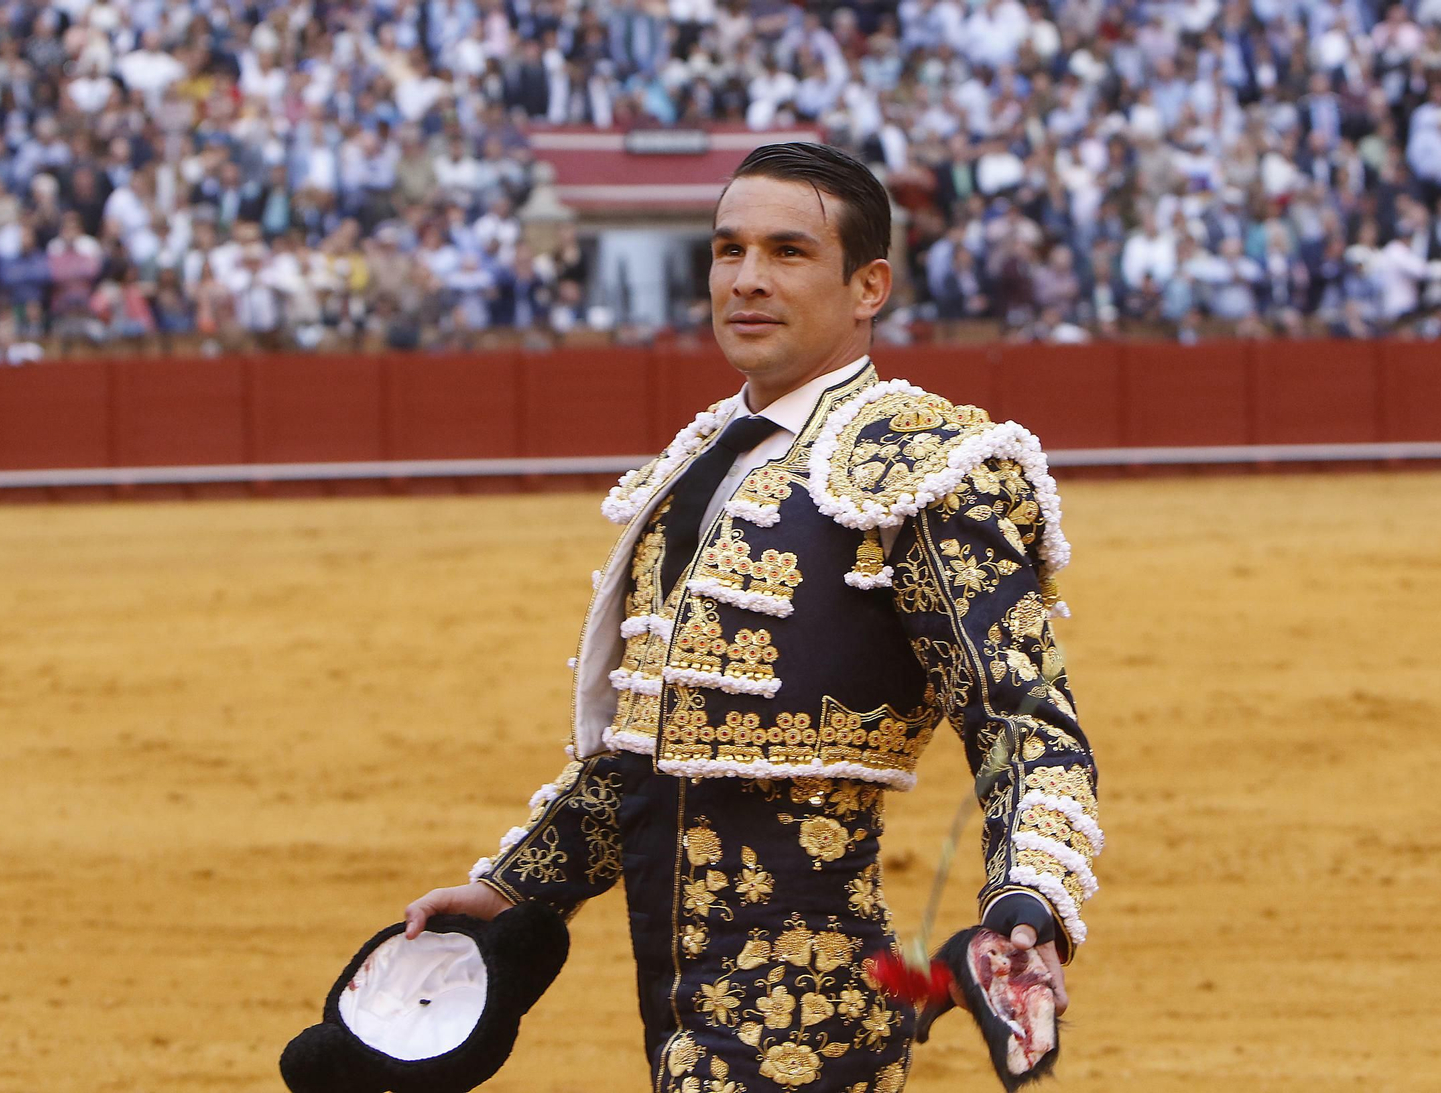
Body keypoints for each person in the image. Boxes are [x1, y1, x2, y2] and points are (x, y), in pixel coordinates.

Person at [402, 143, 1101, 1091]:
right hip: (676, 993)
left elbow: (1022, 715)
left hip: (812, 1009)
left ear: (870, 286)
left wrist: (1029, 897)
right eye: (729, 250)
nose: (747, 280)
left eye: (787, 252)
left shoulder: (921, 468)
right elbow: (645, 747)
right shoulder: (700, 462)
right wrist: (517, 886)